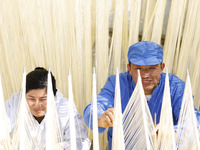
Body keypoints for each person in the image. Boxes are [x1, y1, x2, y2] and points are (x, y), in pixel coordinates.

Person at [83, 41, 200, 150]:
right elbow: (95, 106)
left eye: (152, 68)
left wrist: (174, 133)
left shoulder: (175, 87)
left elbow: (191, 120)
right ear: (129, 68)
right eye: (138, 68)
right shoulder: (116, 83)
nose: (145, 75)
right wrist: (99, 118)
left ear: (162, 67)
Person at [5, 67, 91, 149]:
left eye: (43, 99)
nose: (37, 104)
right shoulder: (14, 104)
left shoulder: (64, 108)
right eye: (31, 98)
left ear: (54, 96)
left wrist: (63, 147)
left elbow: (81, 141)